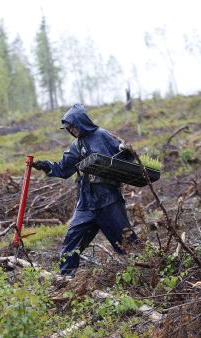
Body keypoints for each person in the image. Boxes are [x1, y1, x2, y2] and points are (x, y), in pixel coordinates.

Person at [32, 104, 137, 277]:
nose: (72, 131)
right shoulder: (76, 146)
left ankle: (143, 270)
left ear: (82, 122)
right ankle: (65, 277)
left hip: (109, 200)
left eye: (73, 126)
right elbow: (64, 169)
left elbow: (125, 158)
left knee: (126, 241)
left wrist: (126, 150)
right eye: (69, 129)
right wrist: (45, 165)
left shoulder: (102, 135)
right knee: (73, 238)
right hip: (86, 202)